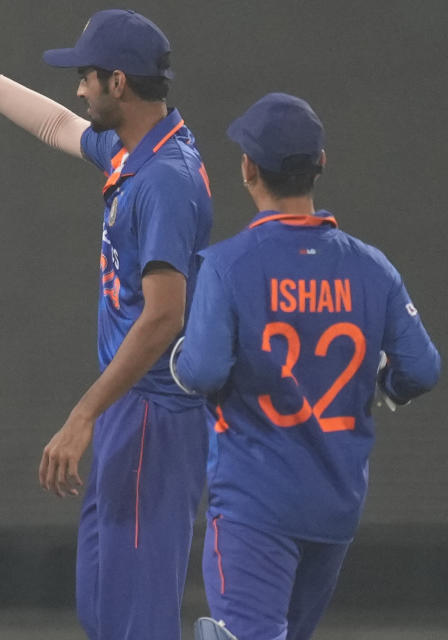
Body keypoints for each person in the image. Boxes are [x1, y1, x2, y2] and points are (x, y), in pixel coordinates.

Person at [0, 10, 212, 639]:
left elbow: (166, 314)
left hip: (154, 415)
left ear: (118, 82)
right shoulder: (140, 149)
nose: (77, 90)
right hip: (129, 407)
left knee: (136, 618)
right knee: (105, 608)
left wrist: (83, 415)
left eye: (85, 76)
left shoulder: (165, 179)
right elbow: (54, 124)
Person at [171, 93, 441, 640]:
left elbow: (199, 372)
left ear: (249, 169)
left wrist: (177, 354)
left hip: (255, 501)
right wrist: (383, 382)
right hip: (335, 505)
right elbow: (422, 368)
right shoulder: (372, 267)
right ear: (320, 165)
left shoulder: (227, 266)